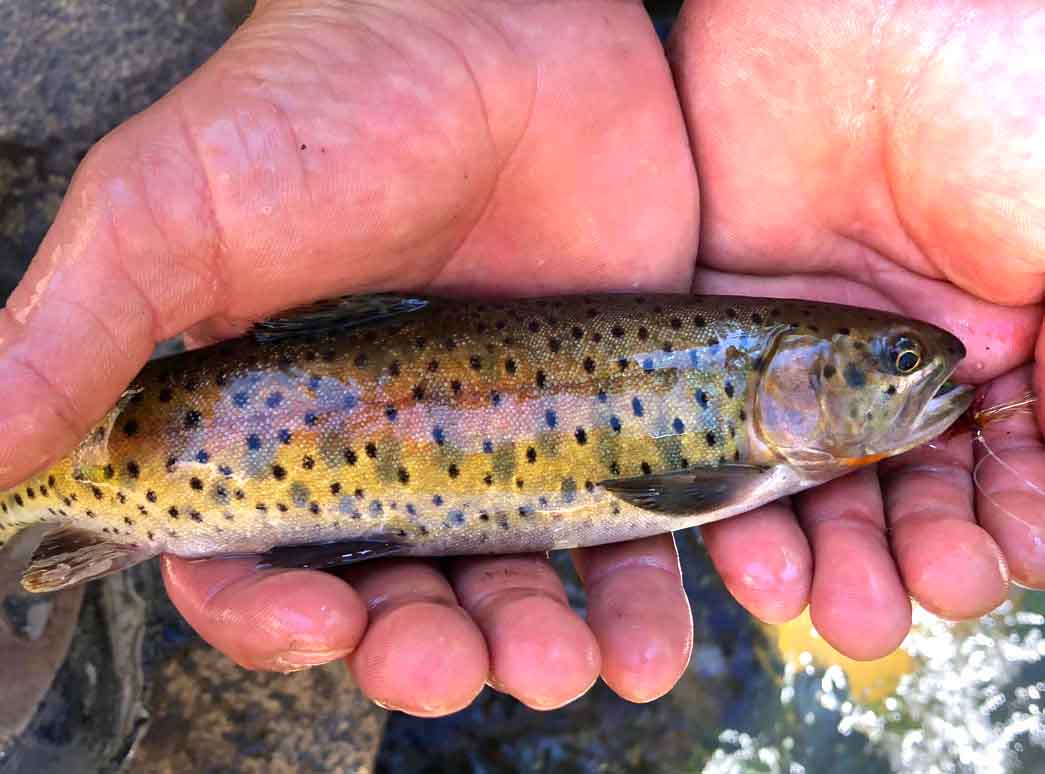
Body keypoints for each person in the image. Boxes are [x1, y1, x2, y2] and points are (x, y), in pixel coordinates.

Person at [2, 0, 1042, 717]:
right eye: (895, 359)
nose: (924, 372)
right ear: (796, 374)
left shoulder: (745, 423)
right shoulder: (725, 451)